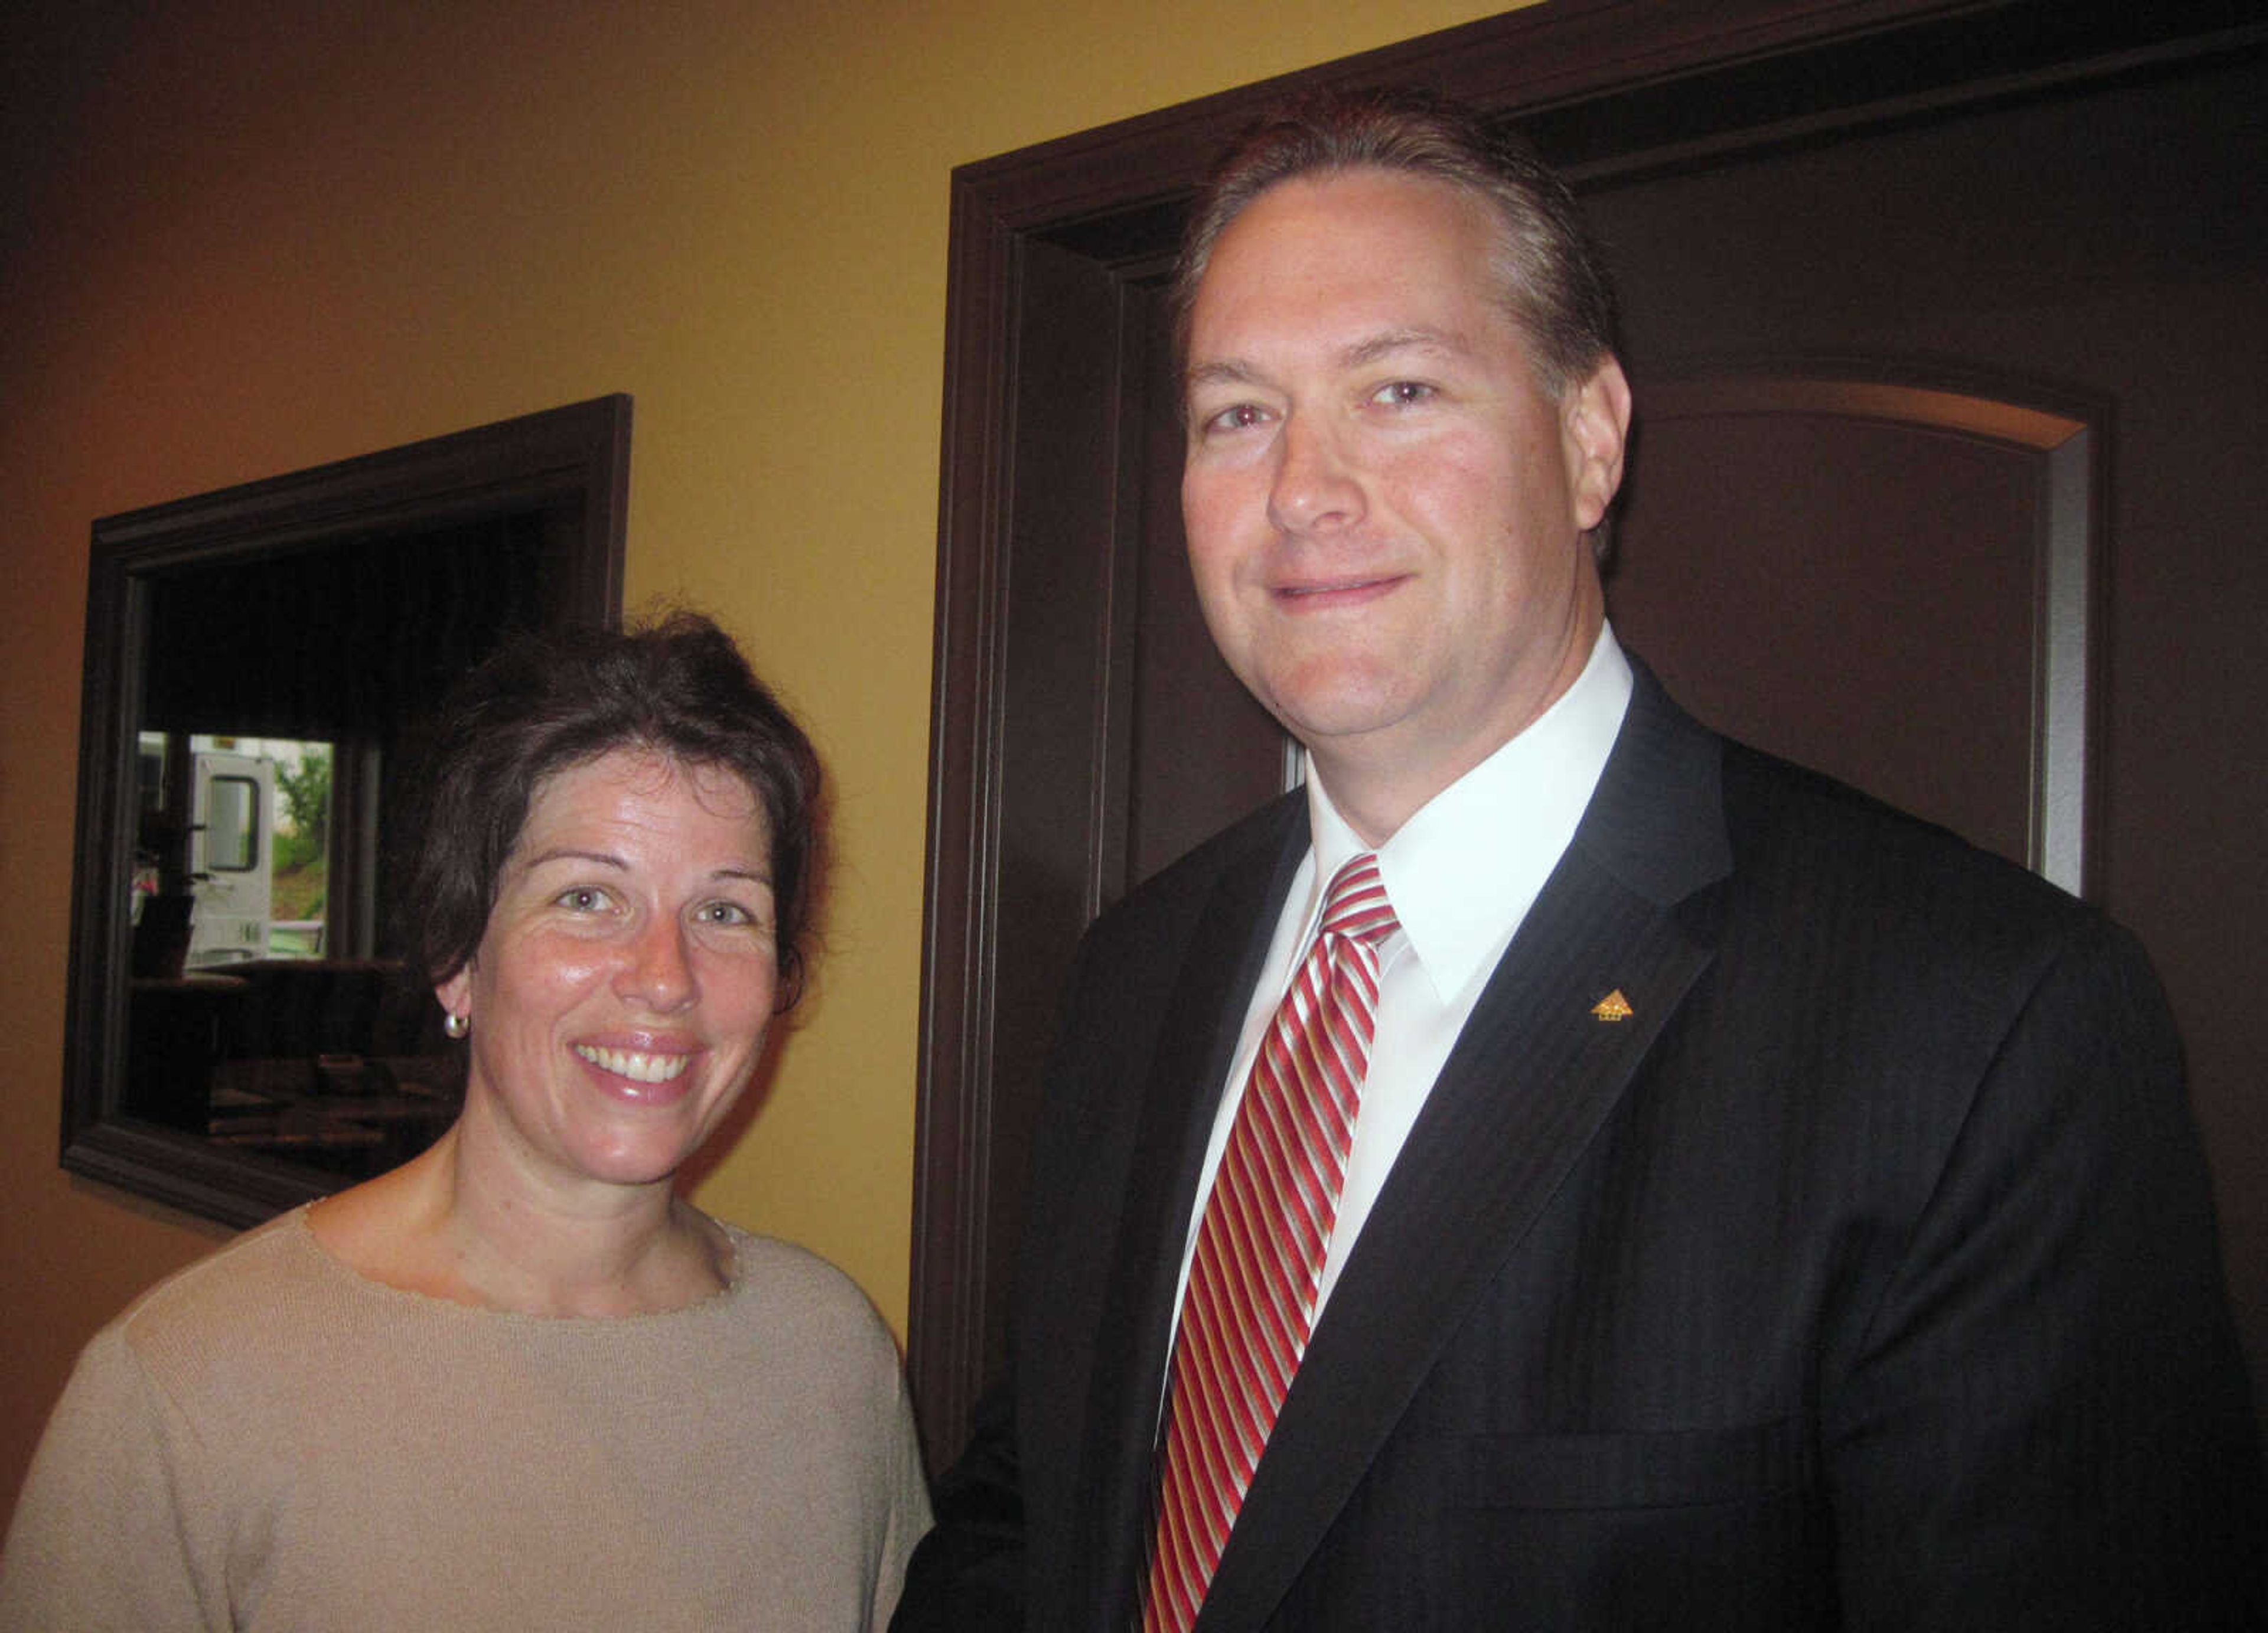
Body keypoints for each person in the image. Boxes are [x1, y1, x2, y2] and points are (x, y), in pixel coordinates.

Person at [894, 90, 2264, 1630]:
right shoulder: (1135, 965)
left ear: (1590, 436)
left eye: (1400, 388)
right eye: (1237, 413)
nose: (1302, 488)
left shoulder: (1982, 1023)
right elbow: (1035, 1510)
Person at [1, 612, 930, 1631]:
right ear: (458, 957)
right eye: (586, 896)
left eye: (725, 911)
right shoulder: (183, 1390)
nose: (665, 978)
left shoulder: (833, 1359)